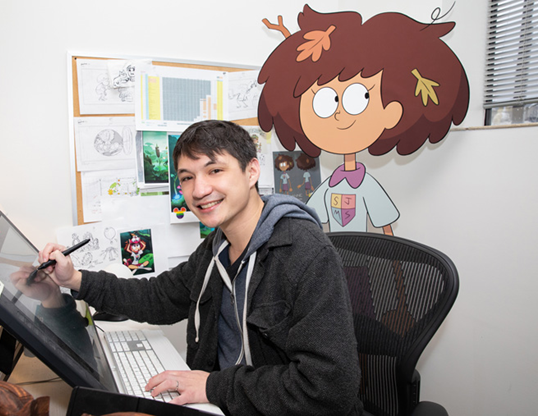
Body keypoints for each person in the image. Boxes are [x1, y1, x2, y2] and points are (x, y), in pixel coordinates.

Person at [39, 120, 363, 416]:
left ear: (251, 171)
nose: (199, 190)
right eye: (187, 178)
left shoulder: (305, 253)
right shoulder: (216, 248)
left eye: (215, 170)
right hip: (226, 404)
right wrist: (75, 279)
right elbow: (157, 297)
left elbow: (328, 388)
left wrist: (211, 386)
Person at [258, 6, 469, 235]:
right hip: (334, 251)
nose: (339, 114)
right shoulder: (329, 186)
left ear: (392, 112)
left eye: (357, 98)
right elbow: (312, 220)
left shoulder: (366, 185)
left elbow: (385, 224)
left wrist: (392, 251)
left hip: (362, 253)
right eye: (324, 102)